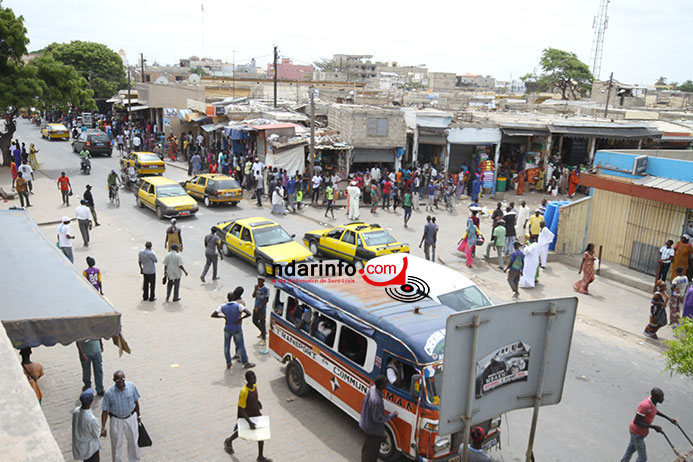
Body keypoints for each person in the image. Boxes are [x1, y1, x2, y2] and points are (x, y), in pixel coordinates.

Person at [223, 371, 272, 461]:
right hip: (247, 414)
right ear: (247, 380)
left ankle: (260, 456)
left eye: (255, 377)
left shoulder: (255, 386)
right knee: (241, 430)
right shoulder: (244, 391)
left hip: (255, 412)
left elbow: (255, 397)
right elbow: (241, 409)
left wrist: (257, 402)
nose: (254, 379)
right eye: (252, 378)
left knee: (261, 434)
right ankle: (229, 440)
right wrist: (249, 422)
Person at [620, 387, 677, 462]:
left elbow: (654, 410)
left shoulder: (652, 401)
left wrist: (668, 418)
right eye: (661, 397)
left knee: (629, 451)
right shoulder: (645, 405)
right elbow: (636, 421)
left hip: (637, 432)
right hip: (637, 433)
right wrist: (654, 427)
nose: (663, 399)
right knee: (642, 458)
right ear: (655, 397)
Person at [100, 370, 141, 462]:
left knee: (133, 441)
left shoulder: (131, 387)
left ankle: (135, 460)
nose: (121, 382)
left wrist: (138, 416)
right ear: (114, 380)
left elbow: (136, 402)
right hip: (116, 420)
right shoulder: (109, 393)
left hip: (131, 418)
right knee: (116, 443)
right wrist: (103, 426)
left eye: (122, 379)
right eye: (118, 380)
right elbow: (105, 411)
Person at [211, 288, 255, 369]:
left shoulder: (223, 306)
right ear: (234, 297)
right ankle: (245, 363)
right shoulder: (238, 305)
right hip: (237, 328)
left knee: (226, 346)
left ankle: (228, 362)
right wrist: (240, 319)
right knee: (241, 346)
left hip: (227, 328)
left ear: (228, 298)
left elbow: (213, 315)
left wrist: (223, 317)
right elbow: (249, 313)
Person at [359, 375, 398, 462]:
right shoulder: (377, 401)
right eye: (385, 383)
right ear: (381, 385)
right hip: (373, 429)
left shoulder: (373, 389)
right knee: (372, 451)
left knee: (367, 448)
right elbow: (378, 418)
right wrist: (391, 416)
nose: (387, 383)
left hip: (367, 424)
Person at [72, 389, 101, 462]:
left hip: (82, 447)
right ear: (91, 401)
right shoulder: (92, 419)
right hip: (91, 448)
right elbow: (97, 434)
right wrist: (103, 432)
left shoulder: (76, 411)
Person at [252, 277, 270, 346]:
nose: (259, 283)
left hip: (262, 309)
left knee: (262, 322)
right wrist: (255, 290)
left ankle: (264, 339)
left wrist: (260, 307)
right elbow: (253, 296)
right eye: (258, 282)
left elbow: (267, 299)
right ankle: (263, 331)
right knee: (254, 321)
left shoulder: (266, 289)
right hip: (255, 307)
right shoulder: (256, 287)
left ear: (263, 282)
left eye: (260, 282)